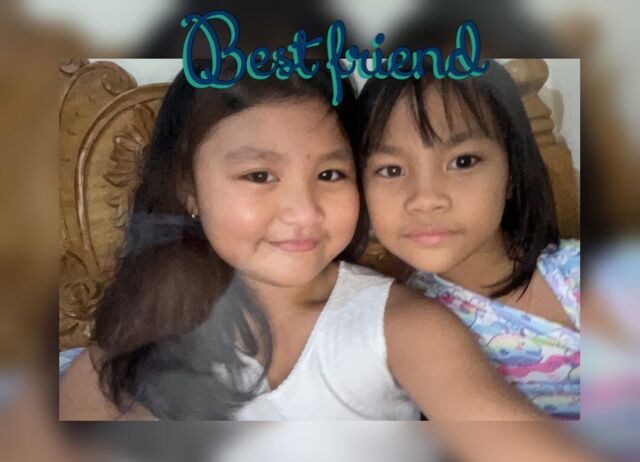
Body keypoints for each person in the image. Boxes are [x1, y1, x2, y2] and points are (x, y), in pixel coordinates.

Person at [59, 59, 544, 421]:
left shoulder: (403, 329)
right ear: (188, 186)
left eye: (330, 174)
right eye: (259, 175)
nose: (304, 211)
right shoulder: (139, 333)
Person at [358, 59, 580, 419]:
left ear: (512, 173)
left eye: (462, 161)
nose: (425, 199)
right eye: (391, 169)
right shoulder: (395, 324)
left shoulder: (577, 273)